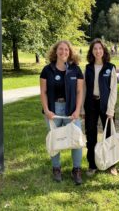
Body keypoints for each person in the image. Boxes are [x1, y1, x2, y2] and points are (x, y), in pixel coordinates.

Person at [40, 40, 84, 185]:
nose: (63, 52)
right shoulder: (47, 70)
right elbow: (43, 92)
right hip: (53, 111)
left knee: (76, 140)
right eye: (61, 49)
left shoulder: (75, 70)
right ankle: (56, 168)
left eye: (66, 49)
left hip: (71, 111)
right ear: (56, 51)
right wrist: (47, 110)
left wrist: (78, 110)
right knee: (55, 139)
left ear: (69, 52)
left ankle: (76, 169)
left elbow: (79, 92)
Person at [82, 39, 118, 177]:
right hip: (91, 104)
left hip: (106, 105)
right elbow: (84, 89)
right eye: (95, 49)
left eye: (100, 48)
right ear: (92, 51)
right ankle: (92, 165)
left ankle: (112, 165)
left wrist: (111, 109)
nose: (98, 51)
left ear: (104, 51)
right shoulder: (88, 68)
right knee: (91, 135)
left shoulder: (110, 67)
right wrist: (82, 109)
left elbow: (113, 89)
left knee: (109, 135)